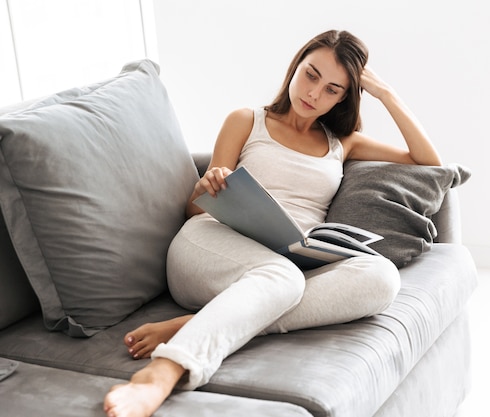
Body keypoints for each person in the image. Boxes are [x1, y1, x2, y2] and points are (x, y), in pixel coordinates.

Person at [103, 29, 441, 417]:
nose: (314, 94)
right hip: (211, 245)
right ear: (295, 65)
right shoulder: (247, 120)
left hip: (288, 265)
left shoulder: (342, 143)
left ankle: (204, 322)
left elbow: (428, 161)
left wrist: (387, 95)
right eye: (311, 75)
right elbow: (195, 210)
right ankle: (164, 371)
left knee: (382, 276)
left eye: (332, 89)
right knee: (281, 278)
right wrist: (207, 188)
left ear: (344, 98)